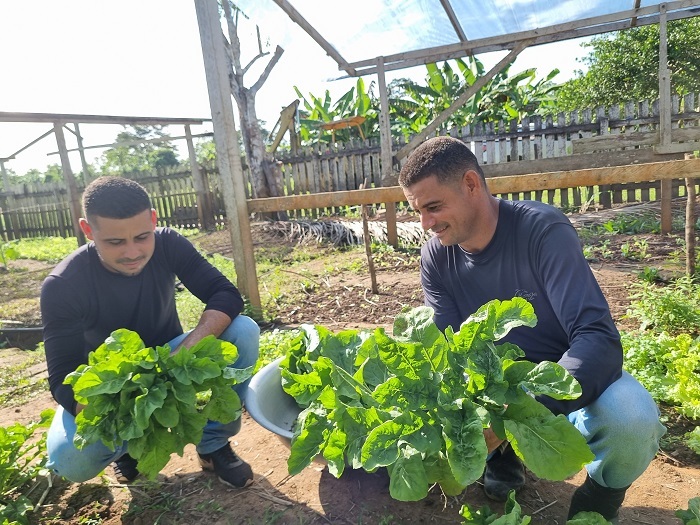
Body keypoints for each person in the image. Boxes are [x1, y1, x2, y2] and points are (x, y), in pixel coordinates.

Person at [398, 136, 666, 521]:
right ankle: (502, 458)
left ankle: (600, 497)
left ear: (471, 185)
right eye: (418, 211)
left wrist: (520, 410)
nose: (426, 224)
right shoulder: (436, 257)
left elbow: (598, 339)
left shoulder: (542, 231)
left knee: (631, 420)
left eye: (434, 207)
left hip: (563, 381)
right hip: (493, 388)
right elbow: (450, 349)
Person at [41, 176, 260, 488]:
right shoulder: (62, 285)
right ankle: (125, 452)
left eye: (142, 237)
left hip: (169, 359)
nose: (132, 252)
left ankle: (213, 445)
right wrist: (119, 410)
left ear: (153, 220)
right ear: (88, 230)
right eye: (115, 242)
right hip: (113, 385)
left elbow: (225, 294)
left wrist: (184, 351)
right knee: (70, 460)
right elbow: (62, 377)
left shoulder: (169, 243)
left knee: (242, 330)